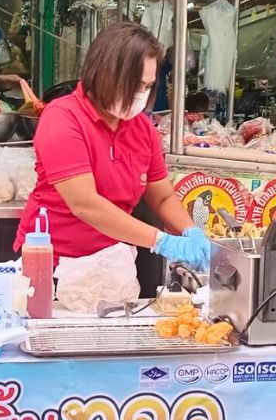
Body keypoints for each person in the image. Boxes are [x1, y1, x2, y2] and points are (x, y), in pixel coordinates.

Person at [13, 22, 210, 272]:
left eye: (148, 86)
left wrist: (190, 231)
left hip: (110, 263)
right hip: (52, 264)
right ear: (104, 74)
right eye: (135, 85)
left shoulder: (142, 128)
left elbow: (162, 196)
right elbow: (85, 204)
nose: (141, 94)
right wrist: (162, 241)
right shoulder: (63, 118)